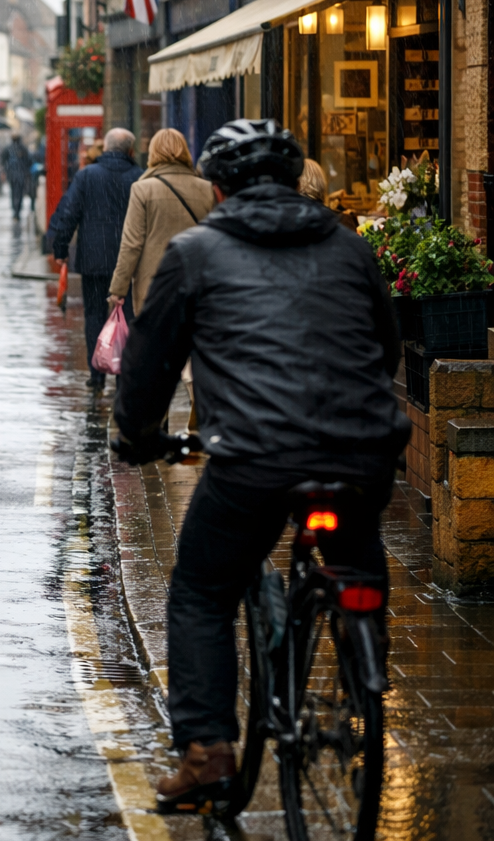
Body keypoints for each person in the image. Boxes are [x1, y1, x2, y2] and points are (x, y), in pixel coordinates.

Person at [111, 119, 408, 812]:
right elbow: (387, 351)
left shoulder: (197, 253)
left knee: (203, 589)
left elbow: (148, 371)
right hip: (360, 452)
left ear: (217, 188)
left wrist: (139, 436)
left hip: (252, 459)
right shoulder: (348, 246)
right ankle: (368, 653)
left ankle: (209, 754)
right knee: (358, 556)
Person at [47, 126, 142, 390]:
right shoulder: (140, 176)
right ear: (131, 150)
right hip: (129, 261)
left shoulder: (87, 175)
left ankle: (97, 372)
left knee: (94, 316)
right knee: (128, 316)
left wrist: (60, 249)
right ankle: (124, 374)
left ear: (105, 148)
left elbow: (69, 213)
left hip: (95, 258)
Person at [108, 128, 214, 317]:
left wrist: (118, 288)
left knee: (156, 342)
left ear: (153, 152)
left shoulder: (142, 189)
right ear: (184, 151)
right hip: (197, 280)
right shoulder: (207, 189)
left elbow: (132, 244)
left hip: (154, 285)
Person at [2, 135, 33, 219]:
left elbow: (3, 160)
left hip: (12, 175)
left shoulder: (8, 148)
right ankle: (18, 210)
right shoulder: (23, 148)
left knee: (13, 193)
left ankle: (14, 210)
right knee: (19, 193)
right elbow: (29, 161)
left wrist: (6, 170)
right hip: (21, 175)